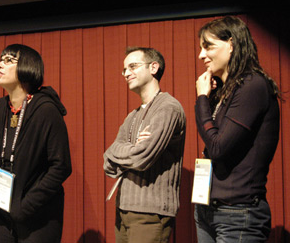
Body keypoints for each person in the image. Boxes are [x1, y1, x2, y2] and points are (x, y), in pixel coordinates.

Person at [194, 16, 281, 242]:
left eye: (208, 46)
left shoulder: (252, 85)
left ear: (231, 45)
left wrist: (202, 98)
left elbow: (217, 147)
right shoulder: (226, 91)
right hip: (208, 210)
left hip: (238, 214)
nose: (201, 55)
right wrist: (211, 99)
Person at [0, 44, 72, 242]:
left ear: (27, 66)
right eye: (0, 60)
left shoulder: (46, 109)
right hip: (2, 209)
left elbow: (61, 166)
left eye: (8, 61)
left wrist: (26, 205)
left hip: (38, 214)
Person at [103, 46, 186, 243]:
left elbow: (142, 158)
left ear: (153, 67)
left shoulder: (168, 107)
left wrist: (126, 151)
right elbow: (107, 160)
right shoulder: (133, 115)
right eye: (124, 69)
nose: (126, 73)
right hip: (124, 208)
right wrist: (131, 149)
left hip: (150, 212)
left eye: (133, 66)